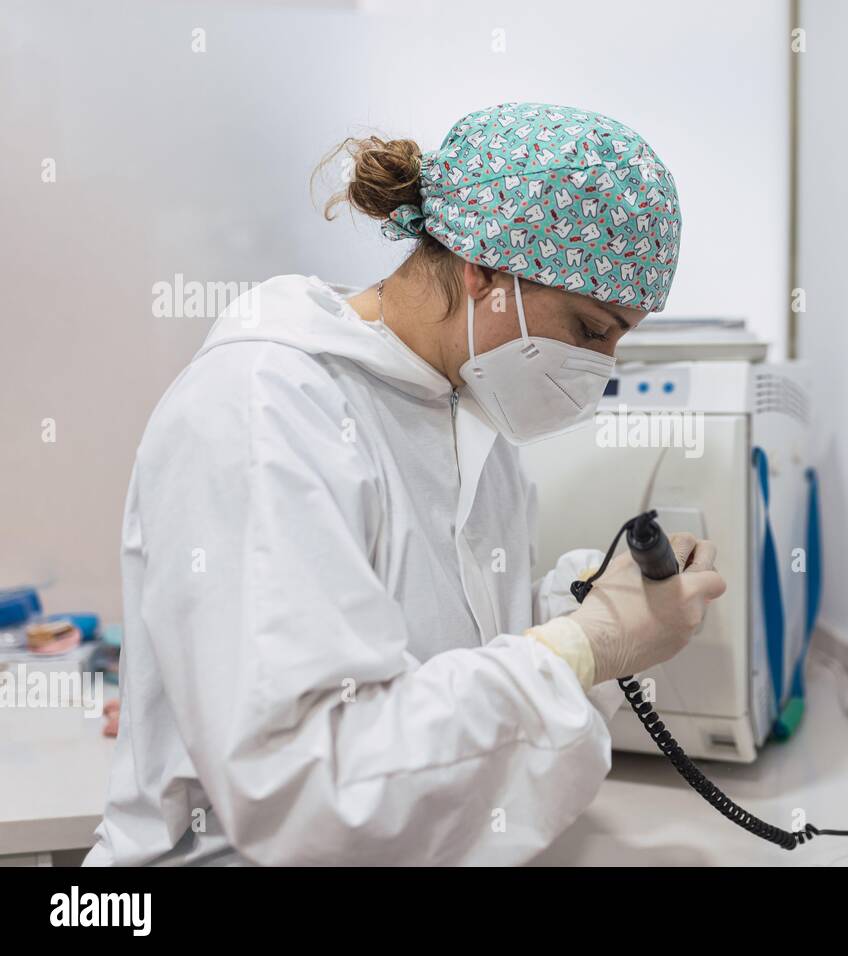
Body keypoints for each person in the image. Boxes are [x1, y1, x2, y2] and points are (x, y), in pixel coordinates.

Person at [84, 102, 726, 866]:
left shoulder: (466, 418)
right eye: (592, 329)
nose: (602, 368)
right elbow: (313, 792)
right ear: (485, 268)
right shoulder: (266, 407)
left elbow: (444, 671)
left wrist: (582, 610)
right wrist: (580, 647)